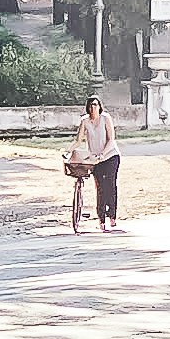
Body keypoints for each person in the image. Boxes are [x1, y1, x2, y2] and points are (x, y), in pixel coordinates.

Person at [68, 91, 120, 233]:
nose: (93, 108)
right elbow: (78, 140)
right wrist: (68, 151)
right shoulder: (85, 121)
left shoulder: (105, 118)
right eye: (91, 106)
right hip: (95, 159)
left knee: (110, 185)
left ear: (100, 106)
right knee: (100, 188)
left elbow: (111, 140)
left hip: (110, 156)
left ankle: (112, 215)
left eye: (96, 105)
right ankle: (101, 218)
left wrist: (103, 154)